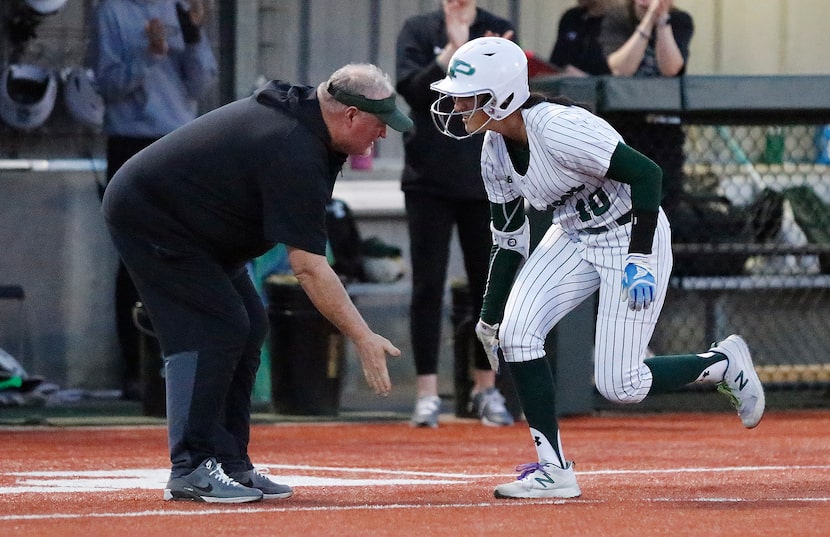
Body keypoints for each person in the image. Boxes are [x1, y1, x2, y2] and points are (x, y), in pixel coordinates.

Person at [429, 36, 765, 499]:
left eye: (466, 95)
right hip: (571, 234)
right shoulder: (493, 150)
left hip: (629, 233)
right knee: (516, 333)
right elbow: (508, 240)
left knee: (620, 385)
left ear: (501, 94)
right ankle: (555, 470)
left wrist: (640, 257)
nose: (456, 104)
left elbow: (648, 174)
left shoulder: (561, 128)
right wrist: (490, 314)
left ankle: (722, 363)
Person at [101, 63, 409, 503]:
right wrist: (362, 336)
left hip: (197, 225)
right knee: (215, 328)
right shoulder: (294, 147)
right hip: (152, 217)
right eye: (379, 125)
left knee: (249, 322)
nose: (382, 137)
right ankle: (189, 467)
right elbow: (308, 267)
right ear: (351, 117)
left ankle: (230, 463)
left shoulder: (312, 122)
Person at [395, 0, 515, 428]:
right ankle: (427, 392)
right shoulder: (418, 29)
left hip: (486, 178)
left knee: (488, 285)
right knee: (428, 284)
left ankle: (487, 387)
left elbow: (502, 92)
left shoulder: (498, 28)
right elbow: (412, 89)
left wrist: (475, 48)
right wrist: (453, 48)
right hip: (427, 178)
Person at [91, 0, 218, 400]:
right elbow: (107, 85)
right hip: (131, 140)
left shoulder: (179, 8)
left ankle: (187, 366)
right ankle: (137, 369)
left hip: (179, 140)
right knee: (134, 257)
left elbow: (201, 84)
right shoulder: (112, 11)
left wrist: (194, 36)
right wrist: (149, 54)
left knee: (185, 251)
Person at [599, 0, 694, 218]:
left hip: (664, 130)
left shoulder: (680, 20)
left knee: (666, 204)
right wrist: (646, 23)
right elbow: (621, 68)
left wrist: (661, 21)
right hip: (623, 127)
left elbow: (671, 69)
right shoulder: (617, 17)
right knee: (620, 201)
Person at [548, 0, 611, 77]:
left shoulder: (620, 23)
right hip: (565, 85)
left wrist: (586, 80)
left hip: (600, 86)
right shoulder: (571, 18)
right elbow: (556, 61)